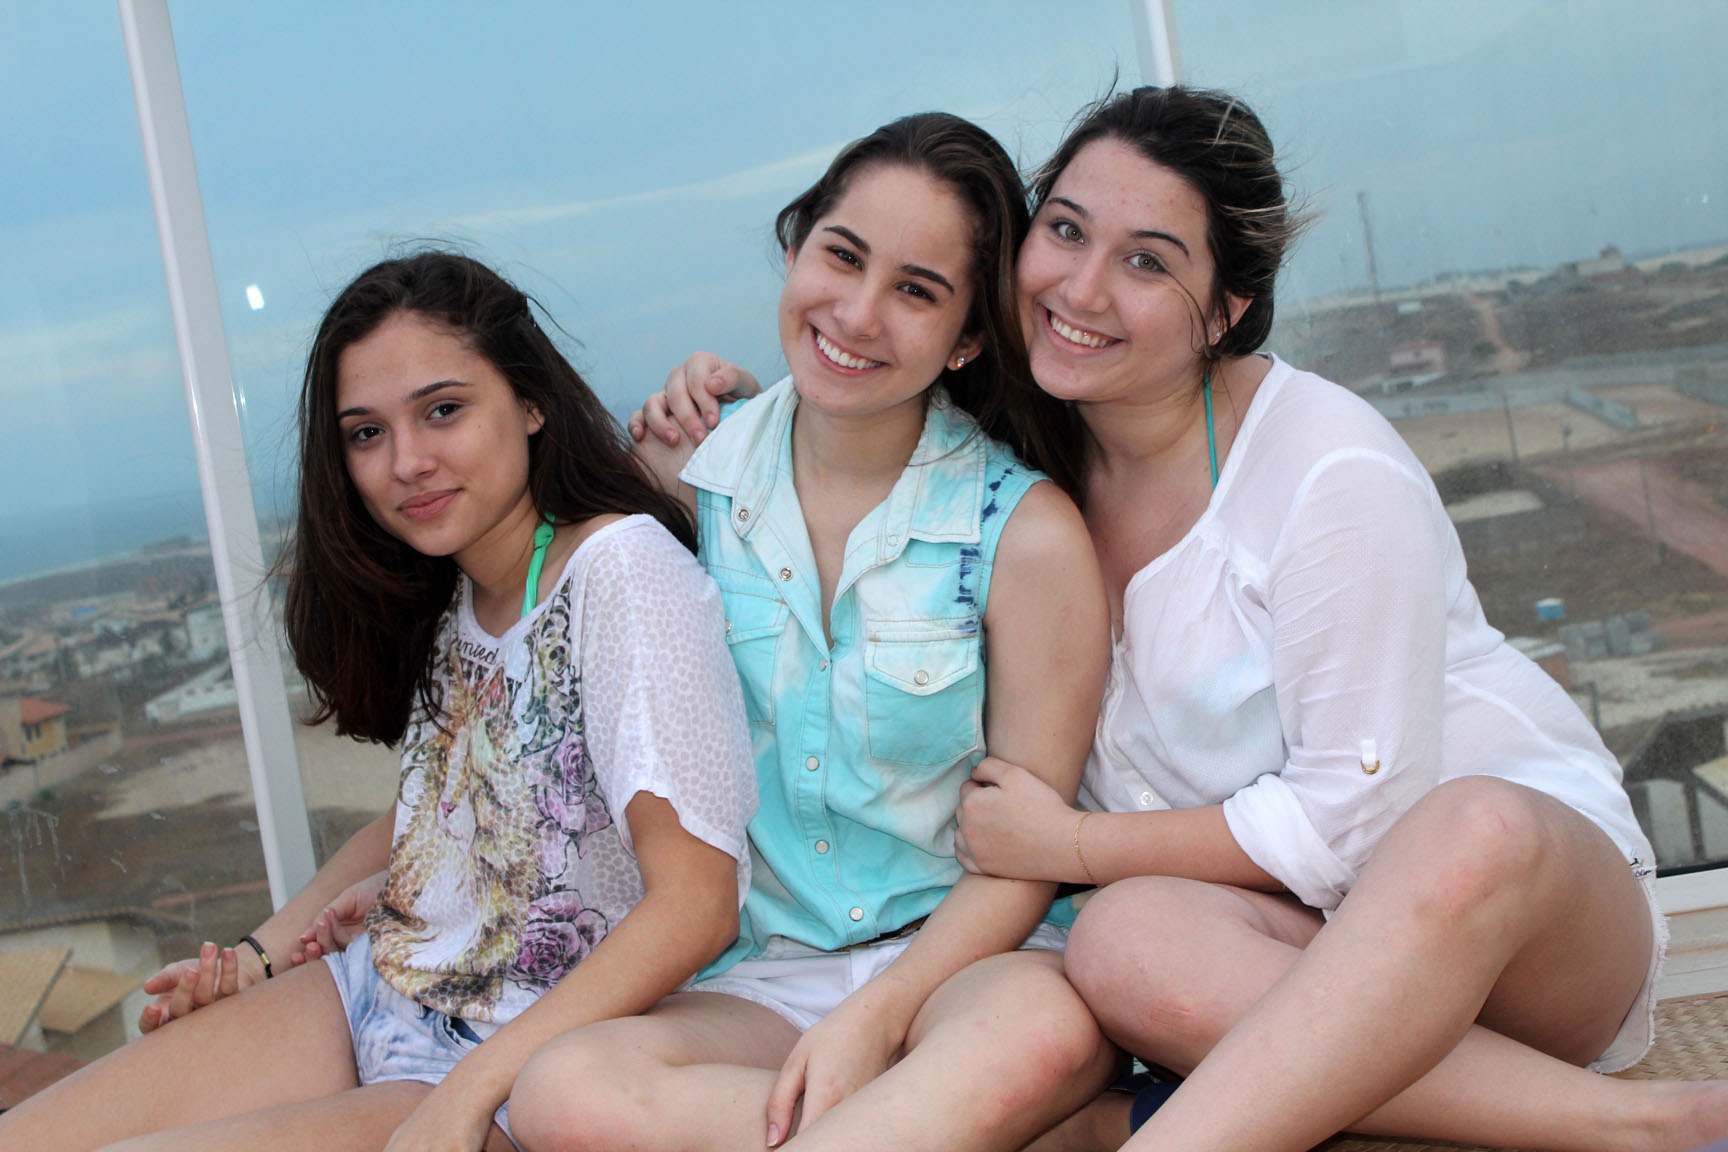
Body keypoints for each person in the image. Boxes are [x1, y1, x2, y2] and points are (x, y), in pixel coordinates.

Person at [639, 88, 1728, 1152]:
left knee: (1470, 828)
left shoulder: (1325, 463)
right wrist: (729, 403)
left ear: (1226, 309)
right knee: (1121, 942)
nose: (1082, 287)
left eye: (1148, 262)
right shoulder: (1027, 450)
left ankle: (1636, 1116)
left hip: (1519, 926)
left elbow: (1355, 816)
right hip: (1277, 955)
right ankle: (1633, 1127)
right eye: (1067, 231)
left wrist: (1074, 844)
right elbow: (861, 398)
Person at [0, 251, 758, 1152]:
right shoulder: (462, 591)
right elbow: (425, 813)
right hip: (375, 988)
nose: (407, 463)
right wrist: (255, 957)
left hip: (511, 1058)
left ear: (530, 401)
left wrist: (470, 1090)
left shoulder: (619, 572)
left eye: (443, 410)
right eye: (366, 433)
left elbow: (697, 903)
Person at [505, 113, 1117, 1152]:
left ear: (968, 337)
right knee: (561, 1093)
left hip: (968, 969)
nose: (859, 313)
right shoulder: (685, 485)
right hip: (762, 979)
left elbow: (1023, 852)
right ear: (795, 248)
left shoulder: (1025, 534)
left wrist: (876, 1022)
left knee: (1042, 1035)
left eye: (917, 291)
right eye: (842, 256)